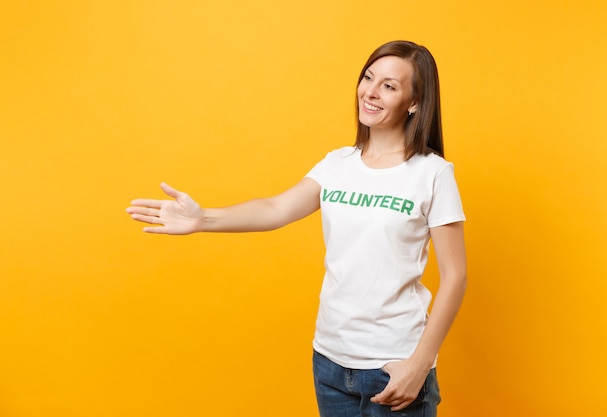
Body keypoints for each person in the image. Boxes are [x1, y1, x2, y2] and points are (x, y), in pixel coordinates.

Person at [126, 40, 466, 417]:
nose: (370, 91)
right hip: (330, 361)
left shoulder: (432, 173)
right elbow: (276, 208)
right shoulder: (338, 163)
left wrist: (419, 365)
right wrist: (202, 218)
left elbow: (455, 276)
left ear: (414, 102)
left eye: (389, 85)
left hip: (394, 364)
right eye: (368, 77)